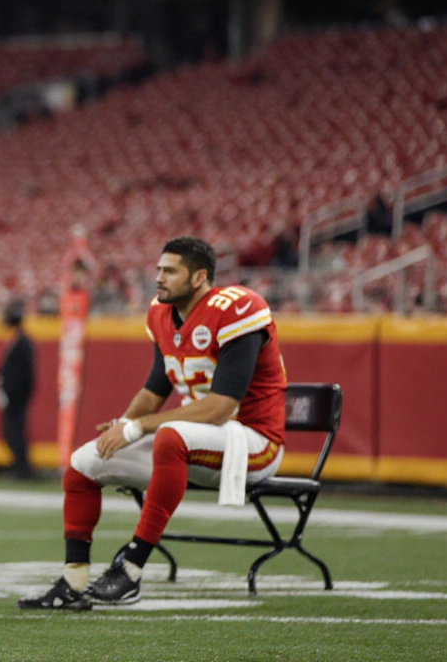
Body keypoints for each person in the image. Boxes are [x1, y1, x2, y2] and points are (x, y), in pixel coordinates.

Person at [18, 237, 287, 611]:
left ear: (198, 278)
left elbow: (223, 407)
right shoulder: (161, 314)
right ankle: (73, 583)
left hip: (254, 443)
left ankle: (130, 570)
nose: (158, 278)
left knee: (169, 436)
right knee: (83, 464)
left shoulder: (238, 308)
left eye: (169, 271)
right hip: (193, 441)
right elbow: (154, 390)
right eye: (159, 269)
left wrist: (140, 427)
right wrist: (126, 425)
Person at [0, 299, 35, 479]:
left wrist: (13, 392)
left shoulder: (22, 342)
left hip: (16, 397)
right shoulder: (17, 340)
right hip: (13, 395)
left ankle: (22, 468)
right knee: (11, 432)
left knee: (15, 432)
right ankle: (19, 466)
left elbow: (23, 373)